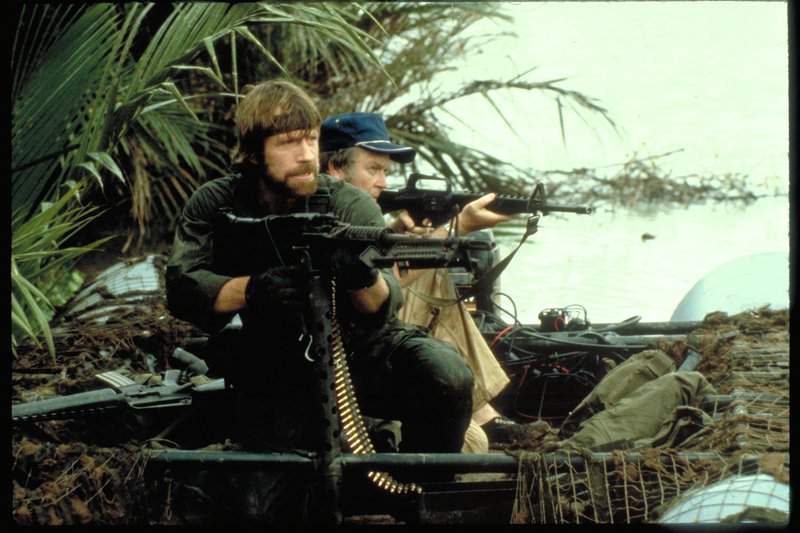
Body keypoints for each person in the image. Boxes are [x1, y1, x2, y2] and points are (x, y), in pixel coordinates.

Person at [165, 81, 473, 522]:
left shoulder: (350, 206)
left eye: (311, 139)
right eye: (289, 143)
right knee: (259, 507)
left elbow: (384, 304)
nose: (306, 154)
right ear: (253, 152)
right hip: (277, 364)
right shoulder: (217, 203)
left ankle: (424, 498)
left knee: (446, 375)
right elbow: (183, 287)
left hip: (362, 350)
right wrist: (253, 289)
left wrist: (360, 277)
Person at [319, 111, 543, 452]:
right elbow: (370, 290)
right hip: (351, 362)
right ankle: (480, 415)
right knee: (474, 444)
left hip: (364, 346)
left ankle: (481, 410)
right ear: (336, 167)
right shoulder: (325, 215)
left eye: (386, 171)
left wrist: (393, 233)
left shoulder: (346, 210)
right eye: (373, 169)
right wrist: (457, 227)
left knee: (433, 271)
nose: (383, 182)